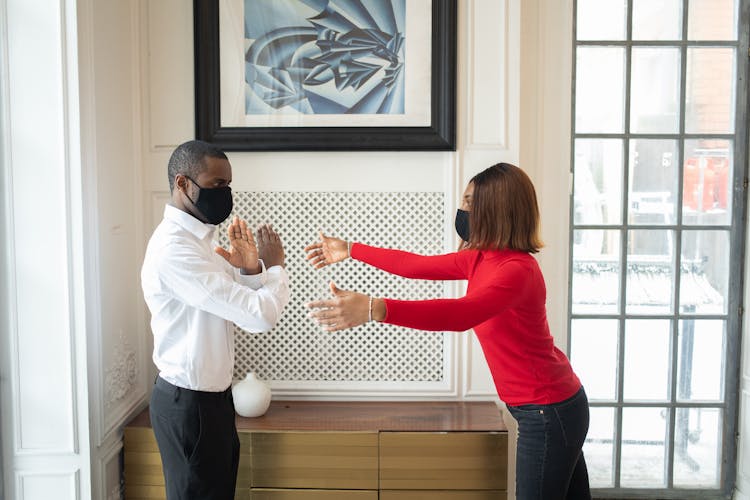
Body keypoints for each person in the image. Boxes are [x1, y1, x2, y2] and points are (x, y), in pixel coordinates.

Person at [304, 163, 591, 500]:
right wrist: (351, 249)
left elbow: (459, 315)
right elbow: (414, 266)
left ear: (496, 209)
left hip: (548, 411)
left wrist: (375, 308)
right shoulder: (482, 259)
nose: (462, 210)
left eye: (470, 202)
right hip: (550, 407)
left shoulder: (517, 271)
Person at [141, 140, 290, 500]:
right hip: (189, 406)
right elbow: (259, 315)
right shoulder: (175, 251)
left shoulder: (201, 242)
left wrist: (251, 267)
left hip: (212, 402)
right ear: (183, 183)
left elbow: (241, 304)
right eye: (216, 184)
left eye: (228, 184)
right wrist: (275, 267)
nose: (224, 194)